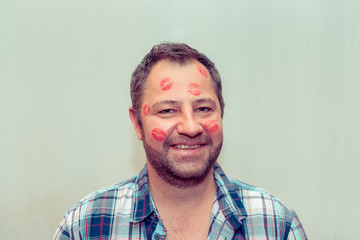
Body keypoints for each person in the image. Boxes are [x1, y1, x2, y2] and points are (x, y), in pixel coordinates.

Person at [53, 42, 307, 240]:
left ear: (222, 112)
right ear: (137, 123)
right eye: (167, 110)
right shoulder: (86, 225)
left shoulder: (275, 223)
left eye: (204, 108)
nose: (190, 127)